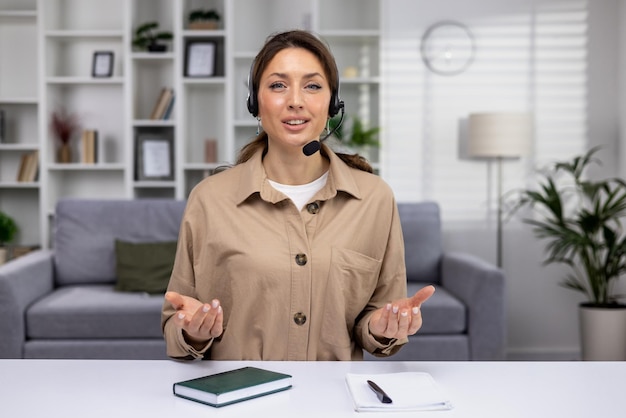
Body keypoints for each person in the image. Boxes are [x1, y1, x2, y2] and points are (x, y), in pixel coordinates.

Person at [161, 29, 435, 361]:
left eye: (312, 86)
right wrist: (191, 330)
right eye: (278, 85)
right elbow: (175, 324)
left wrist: (382, 325)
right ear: (255, 103)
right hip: (242, 401)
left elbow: (373, 325)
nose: (295, 100)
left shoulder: (374, 199)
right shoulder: (209, 199)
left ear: (332, 104)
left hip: (333, 402)